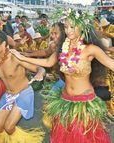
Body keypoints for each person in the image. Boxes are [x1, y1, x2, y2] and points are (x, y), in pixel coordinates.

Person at [11, 9, 114, 143]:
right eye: (66, 27)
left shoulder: (90, 49)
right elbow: (48, 62)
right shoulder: (62, 48)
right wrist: (21, 57)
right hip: (65, 99)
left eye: (72, 27)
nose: (68, 30)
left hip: (83, 102)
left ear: (82, 27)